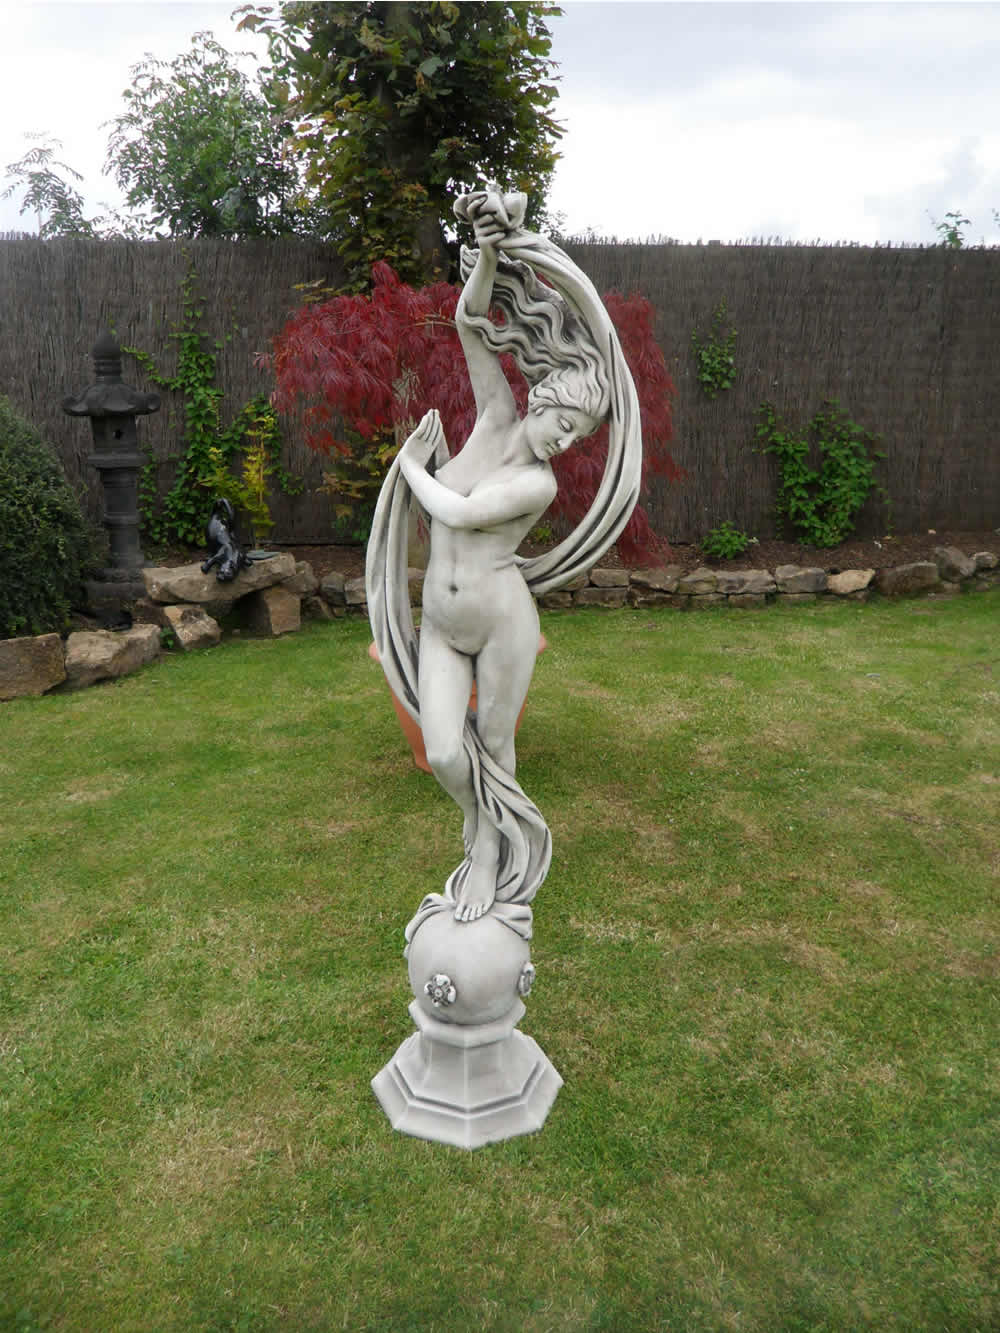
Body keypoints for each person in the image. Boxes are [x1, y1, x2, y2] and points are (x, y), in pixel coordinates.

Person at [366, 186, 641, 934]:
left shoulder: (538, 484)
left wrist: (410, 467)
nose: (565, 440)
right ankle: (477, 824)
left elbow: (453, 512)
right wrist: (489, 249)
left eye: (578, 434)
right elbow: (469, 320)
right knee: (446, 755)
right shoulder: (495, 416)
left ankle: (489, 853)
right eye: (565, 420)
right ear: (545, 395)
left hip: (500, 624)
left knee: (494, 745)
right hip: (440, 625)